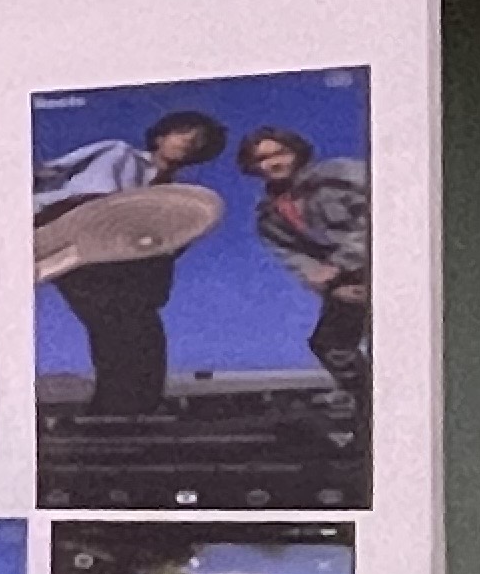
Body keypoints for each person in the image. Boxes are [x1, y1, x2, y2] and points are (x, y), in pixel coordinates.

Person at [35, 108, 229, 418]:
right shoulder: (121, 153)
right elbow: (92, 206)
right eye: (183, 133)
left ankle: (126, 409)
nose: (190, 142)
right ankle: (119, 410)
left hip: (113, 266)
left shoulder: (170, 196)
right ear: (160, 136)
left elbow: (161, 246)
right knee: (120, 326)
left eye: (199, 141)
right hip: (74, 249)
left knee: (137, 329)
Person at [240, 125, 371, 402]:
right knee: (331, 346)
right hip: (344, 286)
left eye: (281, 153)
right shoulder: (270, 218)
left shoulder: (339, 175)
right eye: (262, 159)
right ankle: (369, 402)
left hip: (389, 266)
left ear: (297, 152)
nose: (274, 162)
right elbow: (295, 258)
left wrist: (340, 265)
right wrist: (330, 286)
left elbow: (381, 216)